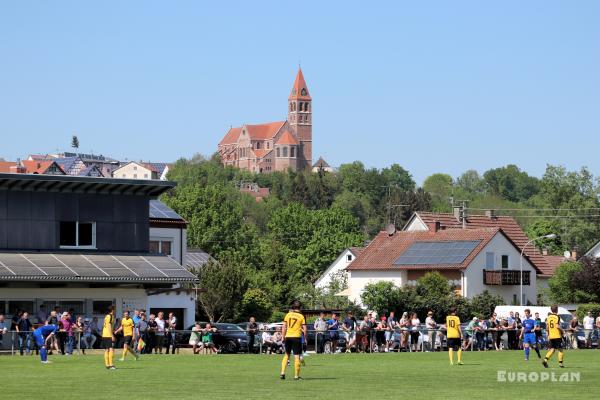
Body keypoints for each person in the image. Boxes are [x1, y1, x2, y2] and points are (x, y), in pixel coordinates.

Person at [280, 300, 307, 380]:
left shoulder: (288, 315)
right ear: (300, 307)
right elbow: (305, 329)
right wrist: (305, 338)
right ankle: (296, 376)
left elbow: (284, 327)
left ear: (293, 307)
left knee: (287, 354)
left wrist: (283, 336)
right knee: (296, 356)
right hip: (296, 337)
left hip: (288, 337)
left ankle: (282, 373)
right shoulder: (301, 316)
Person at [101, 305, 116, 370]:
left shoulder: (107, 316)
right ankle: (111, 365)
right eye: (114, 309)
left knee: (107, 350)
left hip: (104, 334)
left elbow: (105, 326)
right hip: (108, 335)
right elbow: (109, 326)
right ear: (112, 310)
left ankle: (107, 365)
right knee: (111, 349)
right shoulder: (110, 316)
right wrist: (112, 335)